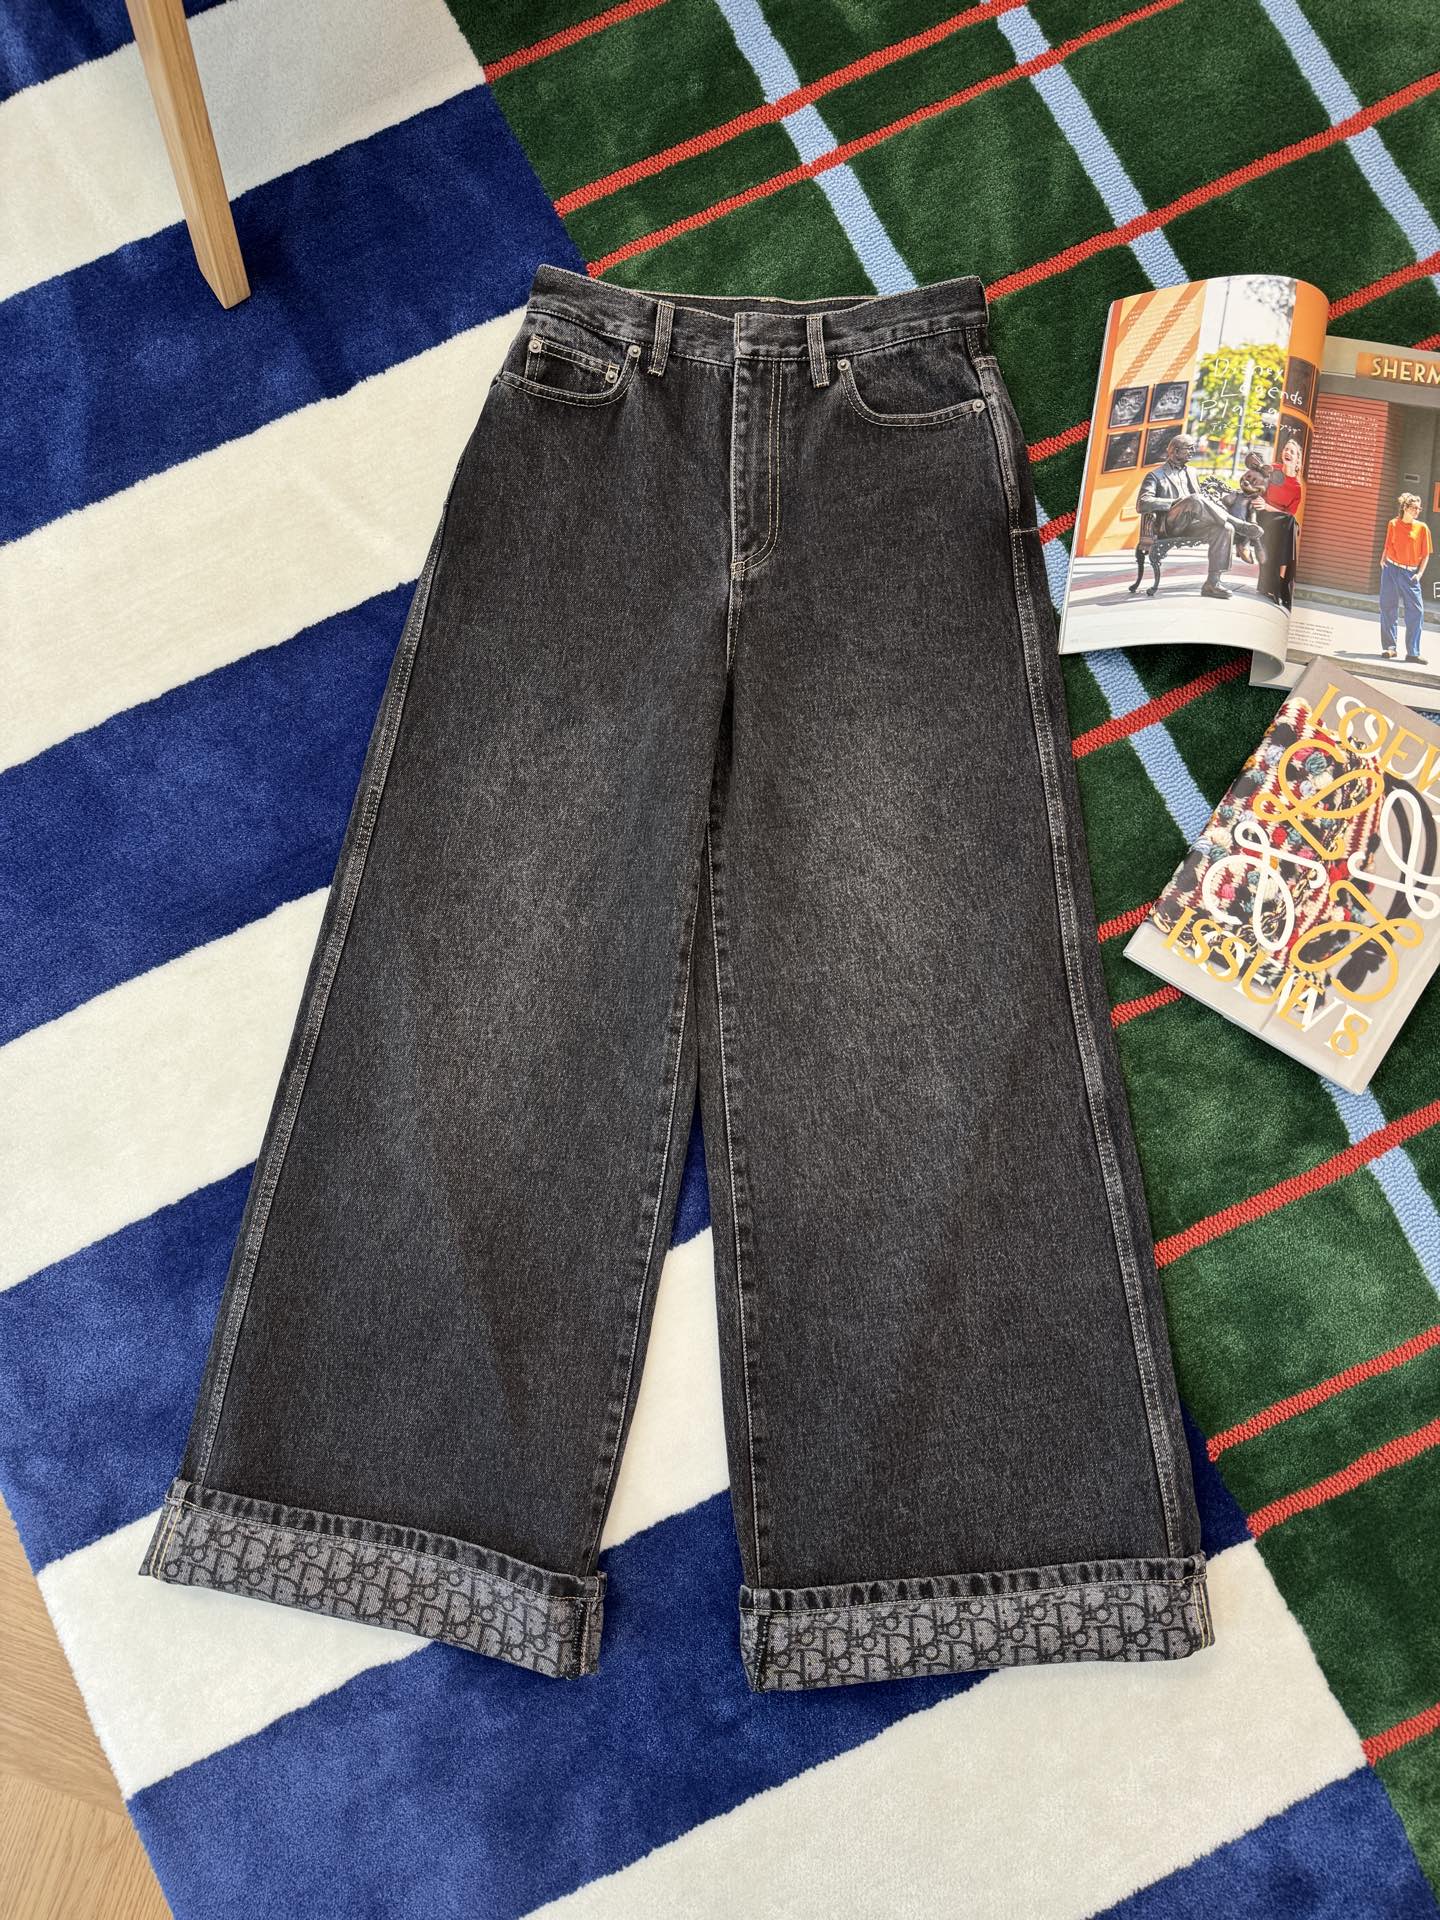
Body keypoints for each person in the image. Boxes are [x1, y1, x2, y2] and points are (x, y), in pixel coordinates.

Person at [1135, 432, 1240, 598]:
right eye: (1189, 448)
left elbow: (1201, 501)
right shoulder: (1155, 476)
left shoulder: (1192, 472)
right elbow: (1142, 503)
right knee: (1193, 499)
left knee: (1226, 528)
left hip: (1192, 523)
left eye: (1193, 448)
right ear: (1176, 451)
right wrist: (1176, 502)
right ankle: (1239, 524)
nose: (1193, 452)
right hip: (1169, 525)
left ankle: (1212, 583)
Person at [1379, 492, 1433, 663]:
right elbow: (1388, 544)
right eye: (1414, 508)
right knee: (1388, 607)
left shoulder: (1422, 528)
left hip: (1410, 574)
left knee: (1416, 611)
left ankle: (1413, 653)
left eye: (1418, 508)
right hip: (1391, 569)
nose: (1417, 511)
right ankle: (1390, 648)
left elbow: (1426, 554)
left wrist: (1420, 574)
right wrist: (1383, 559)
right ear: (1404, 507)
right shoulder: (1393, 524)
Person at [1255, 435, 1304, 608]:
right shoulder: (1273, 469)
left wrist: (1269, 507)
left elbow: (1290, 514)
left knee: (1289, 523)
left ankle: (1280, 580)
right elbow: (1258, 487)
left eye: (1292, 452)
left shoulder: (1297, 487)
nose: (1287, 453)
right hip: (1263, 517)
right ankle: (1282, 582)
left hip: (1280, 521)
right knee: (1289, 524)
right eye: (1286, 449)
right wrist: (1260, 501)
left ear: (1297, 460)